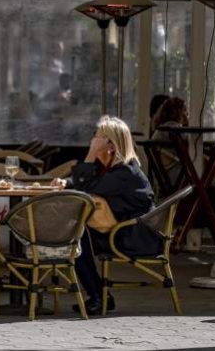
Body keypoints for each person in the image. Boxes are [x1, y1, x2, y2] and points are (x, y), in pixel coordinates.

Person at [53, 115, 156, 315]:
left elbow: (87, 186)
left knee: (77, 236)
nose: (92, 140)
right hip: (123, 230)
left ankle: (98, 296)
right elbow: (88, 181)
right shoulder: (110, 169)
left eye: (97, 137)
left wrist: (91, 154)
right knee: (77, 233)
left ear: (111, 145)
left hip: (135, 236)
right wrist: (66, 183)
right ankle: (98, 295)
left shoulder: (125, 172)